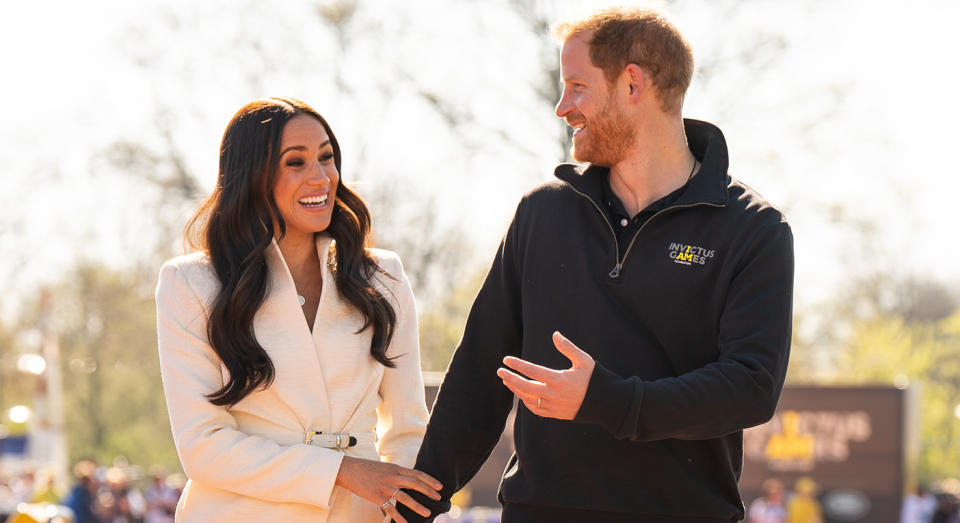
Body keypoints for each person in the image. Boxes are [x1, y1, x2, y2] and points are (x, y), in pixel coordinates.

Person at [397, 7, 794, 522]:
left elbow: (750, 388)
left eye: (577, 85)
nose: (563, 106)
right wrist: (414, 505)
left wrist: (607, 400)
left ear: (633, 84)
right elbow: (480, 373)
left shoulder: (753, 229)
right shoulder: (541, 212)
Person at [155, 97, 442, 522]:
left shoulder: (385, 276)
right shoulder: (191, 284)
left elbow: (407, 429)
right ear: (253, 176)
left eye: (327, 158)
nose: (321, 177)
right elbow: (203, 446)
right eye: (296, 162)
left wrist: (403, 511)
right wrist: (340, 470)